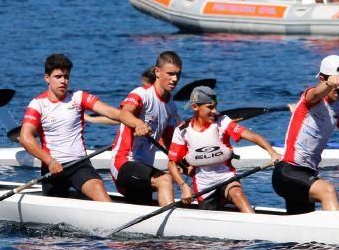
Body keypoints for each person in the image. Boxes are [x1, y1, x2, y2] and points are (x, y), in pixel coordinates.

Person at [19, 54, 150, 201]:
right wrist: (49, 161)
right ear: (47, 78)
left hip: (79, 165)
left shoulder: (78, 97)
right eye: (58, 76)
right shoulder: (37, 104)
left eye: (66, 76)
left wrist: (137, 123)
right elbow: (25, 138)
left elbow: (112, 112)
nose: (63, 81)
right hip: (53, 167)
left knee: (100, 193)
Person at [272, 55, 339, 214]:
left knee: (302, 229)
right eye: (337, 82)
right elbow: (316, 93)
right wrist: (329, 83)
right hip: (288, 172)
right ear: (323, 78)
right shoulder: (310, 98)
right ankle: (338, 237)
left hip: (307, 175)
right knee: (328, 191)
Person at [167, 86, 280, 214]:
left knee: (237, 194)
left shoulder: (223, 122)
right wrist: (183, 186)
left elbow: (251, 135)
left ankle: (255, 224)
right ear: (195, 107)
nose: (215, 111)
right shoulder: (182, 131)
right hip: (204, 187)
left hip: (227, 178)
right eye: (210, 107)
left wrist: (272, 152)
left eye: (216, 106)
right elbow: (171, 163)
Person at [111, 51, 191, 207]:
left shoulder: (171, 107)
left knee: (144, 205)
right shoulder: (142, 94)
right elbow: (124, 113)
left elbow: (170, 144)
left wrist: (185, 162)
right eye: (170, 74)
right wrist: (138, 124)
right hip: (124, 162)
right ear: (157, 72)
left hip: (144, 168)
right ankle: (173, 227)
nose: (175, 79)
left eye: (178, 74)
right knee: (165, 179)